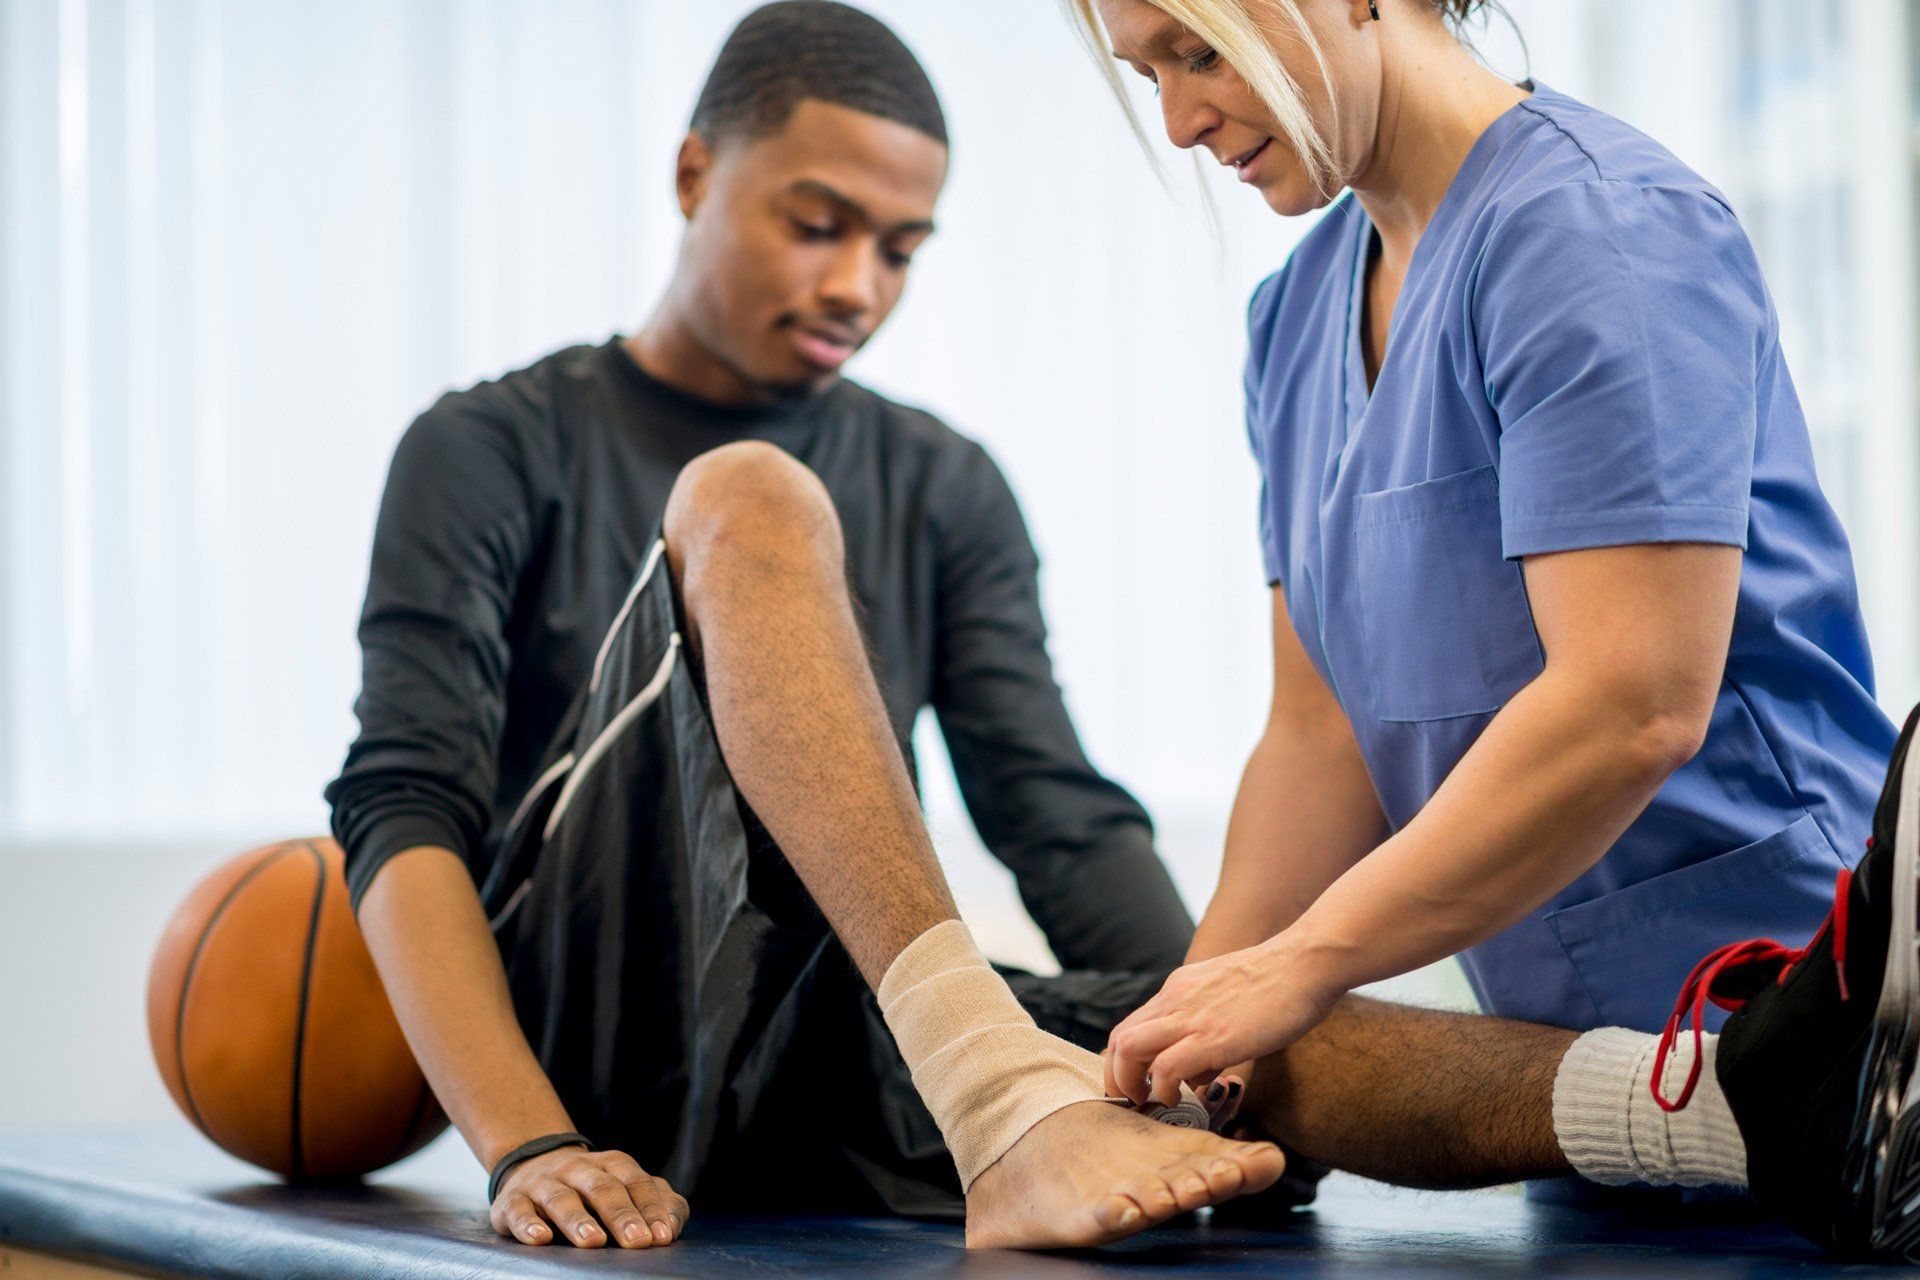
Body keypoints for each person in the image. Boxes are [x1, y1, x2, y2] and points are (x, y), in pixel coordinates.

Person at [325, 0, 1294, 1254]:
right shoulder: (490, 446)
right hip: (604, 1047)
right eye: (817, 224)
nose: (856, 285)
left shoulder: (945, 482)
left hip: (855, 1034)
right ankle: (993, 1085)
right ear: (694, 173)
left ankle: (1624, 1113)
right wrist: (528, 1142)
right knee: (754, 493)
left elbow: (1056, 814)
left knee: (1305, 1039)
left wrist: (1197, 1048)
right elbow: (405, 804)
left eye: (899, 249)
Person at [1069, 0, 1920, 1260]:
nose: (1183, 121)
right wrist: (1190, 1041)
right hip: (1578, 1095)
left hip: (1816, 1021)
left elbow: (1631, 701)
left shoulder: (1596, 231)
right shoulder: (1295, 317)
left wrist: (1302, 961)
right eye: (1149, 74)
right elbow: (1318, 736)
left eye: (1201, 52)